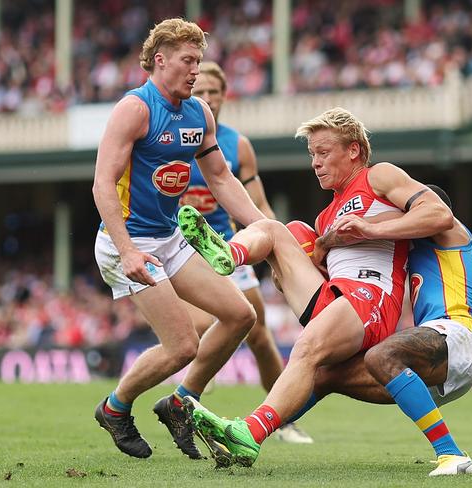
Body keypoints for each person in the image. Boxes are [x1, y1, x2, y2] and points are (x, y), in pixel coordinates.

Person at [177, 107, 453, 466]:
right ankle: (229, 253)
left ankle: (247, 432)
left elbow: (440, 214)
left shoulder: (379, 176)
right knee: (282, 229)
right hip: (336, 296)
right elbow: (312, 272)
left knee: (306, 350)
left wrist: (371, 229)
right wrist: (286, 272)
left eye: (323, 153)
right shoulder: (327, 216)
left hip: (372, 297)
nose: (315, 163)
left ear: (353, 150)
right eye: (312, 155)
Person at [91, 18, 266, 460]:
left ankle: (178, 401)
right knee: (184, 345)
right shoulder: (134, 109)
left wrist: (262, 227)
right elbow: (102, 184)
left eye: (199, 61)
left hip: (168, 237)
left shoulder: (198, 113)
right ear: (160, 60)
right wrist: (128, 250)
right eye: (188, 61)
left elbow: (222, 178)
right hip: (126, 242)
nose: (195, 71)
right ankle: (115, 408)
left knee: (241, 315)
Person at [287, 184, 472, 476]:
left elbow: (384, 223)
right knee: (325, 375)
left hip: (459, 334)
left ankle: (451, 454)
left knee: (382, 355)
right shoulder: (414, 249)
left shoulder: (450, 228)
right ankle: (248, 432)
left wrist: (327, 240)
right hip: (442, 355)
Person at [179, 61, 312, 444]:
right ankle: (192, 392)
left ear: (223, 98)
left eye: (213, 93)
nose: (206, 99)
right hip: (179, 250)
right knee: (200, 328)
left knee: (259, 333)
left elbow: (260, 206)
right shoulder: (169, 137)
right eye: (200, 92)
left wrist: (279, 244)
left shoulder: (237, 146)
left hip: (226, 247)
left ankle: (283, 419)